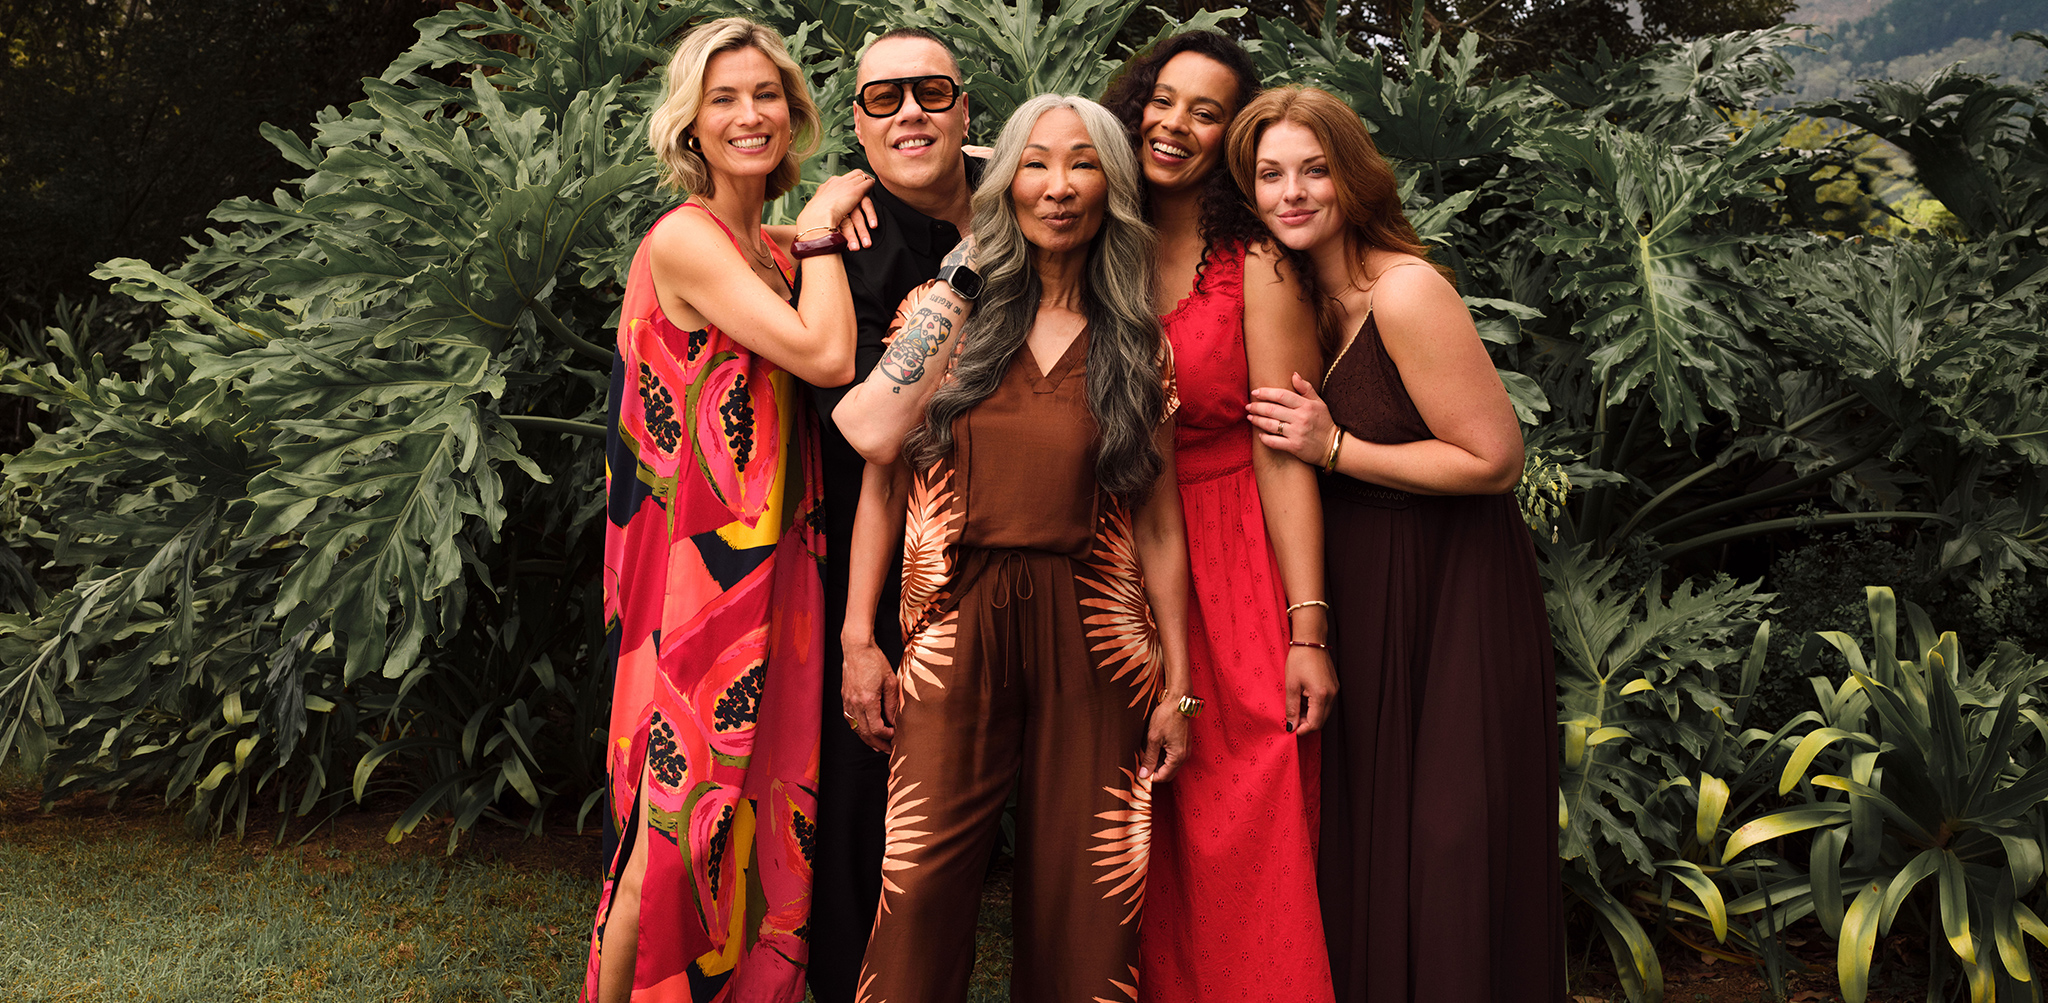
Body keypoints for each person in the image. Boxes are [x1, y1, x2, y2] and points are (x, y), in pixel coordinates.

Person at [832, 94, 1195, 1003]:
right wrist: (857, 638)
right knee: (917, 887)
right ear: (1006, 182)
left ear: (1111, 187)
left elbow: (1157, 521)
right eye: (1035, 163)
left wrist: (1178, 680)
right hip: (954, 624)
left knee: (1089, 897)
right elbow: (879, 464)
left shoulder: (1140, 342)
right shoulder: (945, 310)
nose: (1059, 186)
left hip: (1099, 636)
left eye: (1082, 165)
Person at [1230, 86, 1565, 1003]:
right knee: (1372, 830)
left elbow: (1495, 459)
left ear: (1354, 175)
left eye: (1313, 169)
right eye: (1270, 175)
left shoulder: (1405, 290)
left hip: (1451, 589)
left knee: (1446, 838)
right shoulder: (1303, 296)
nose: (1292, 192)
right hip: (1367, 582)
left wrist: (1335, 447)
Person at [581, 17, 875, 1003]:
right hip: (698, 579)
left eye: (765, 98)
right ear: (691, 127)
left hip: (772, 563)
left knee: (753, 811)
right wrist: (829, 226)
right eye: (724, 100)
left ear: (792, 117)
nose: (749, 116)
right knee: (670, 831)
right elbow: (826, 357)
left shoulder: (764, 245)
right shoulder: (689, 240)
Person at [1099, 33, 1337, 1003]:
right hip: (1111, 554)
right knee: (1137, 814)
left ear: (1230, 137)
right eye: (1163, 99)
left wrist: (1304, 627)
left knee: (1244, 795)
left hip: (1228, 552)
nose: (1175, 125)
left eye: (1206, 112)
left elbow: (1281, 450)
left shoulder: (1255, 266)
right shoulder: (1089, 229)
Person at [806, 26, 980, 1003]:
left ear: (964, 108)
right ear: (857, 124)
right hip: (864, 546)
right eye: (882, 98)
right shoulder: (842, 232)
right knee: (861, 791)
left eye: (929, 91)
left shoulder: (1029, 203)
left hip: (1011, 545)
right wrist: (819, 219)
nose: (908, 111)